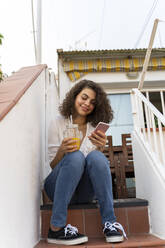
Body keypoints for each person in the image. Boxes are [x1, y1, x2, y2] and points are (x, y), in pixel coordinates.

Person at [44, 79, 126, 245]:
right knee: (75, 157)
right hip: (57, 187)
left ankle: (109, 223)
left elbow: (94, 167)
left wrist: (100, 148)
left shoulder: (94, 128)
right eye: (84, 97)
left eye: (93, 102)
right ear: (75, 97)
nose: (87, 103)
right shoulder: (57, 123)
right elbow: (53, 166)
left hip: (84, 193)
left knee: (97, 157)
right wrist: (62, 150)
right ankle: (56, 229)